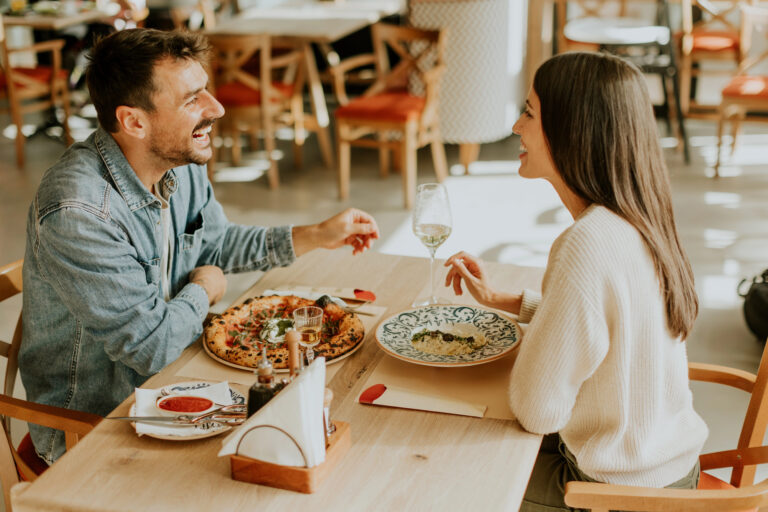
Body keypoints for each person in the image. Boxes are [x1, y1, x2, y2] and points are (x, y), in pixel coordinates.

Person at [20, 28, 379, 465]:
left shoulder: (175, 157)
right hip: (96, 427)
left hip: (175, 385)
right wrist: (204, 291)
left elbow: (215, 241)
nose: (217, 108)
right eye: (192, 100)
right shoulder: (78, 212)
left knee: (324, 415)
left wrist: (316, 235)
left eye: (206, 90)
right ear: (134, 120)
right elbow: (151, 346)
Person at [443, 52, 708, 511]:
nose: (516, 127)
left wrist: (533, 342)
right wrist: (509, 302)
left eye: (529, 112)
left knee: (450, 469)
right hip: (669, 469)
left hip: (611, 492)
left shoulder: (584, 243)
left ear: (571, 130)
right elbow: (614, 323)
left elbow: (538, 410)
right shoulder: (638, 215)